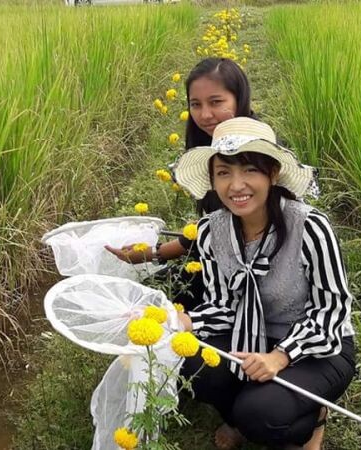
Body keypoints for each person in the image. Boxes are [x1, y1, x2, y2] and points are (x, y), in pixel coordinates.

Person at [174, 117, 356, 450]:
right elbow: (223, 305)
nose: (236, 185)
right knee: (191, 365)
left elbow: (332, 309)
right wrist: (186, 320)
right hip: (249, 332)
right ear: (213, 179)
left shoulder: (310, 227)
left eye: (249, 170)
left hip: (319, 345)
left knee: (261, 413)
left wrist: (280, 356)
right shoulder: (210, 232)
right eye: (224, 173)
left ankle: (313, 419)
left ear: (272, 173)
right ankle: (240, 417)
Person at [107, 57, 255, 310]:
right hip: (216, 257)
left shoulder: (258, 151)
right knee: (144, 298)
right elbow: (216, 224)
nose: (205, 115)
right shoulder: (208, 148)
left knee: (154, 305)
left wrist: (156, 253)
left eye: (216, 102)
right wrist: (157, 251)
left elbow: (230, 229)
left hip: (252, 273)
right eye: (195, 104)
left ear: (239, 99)